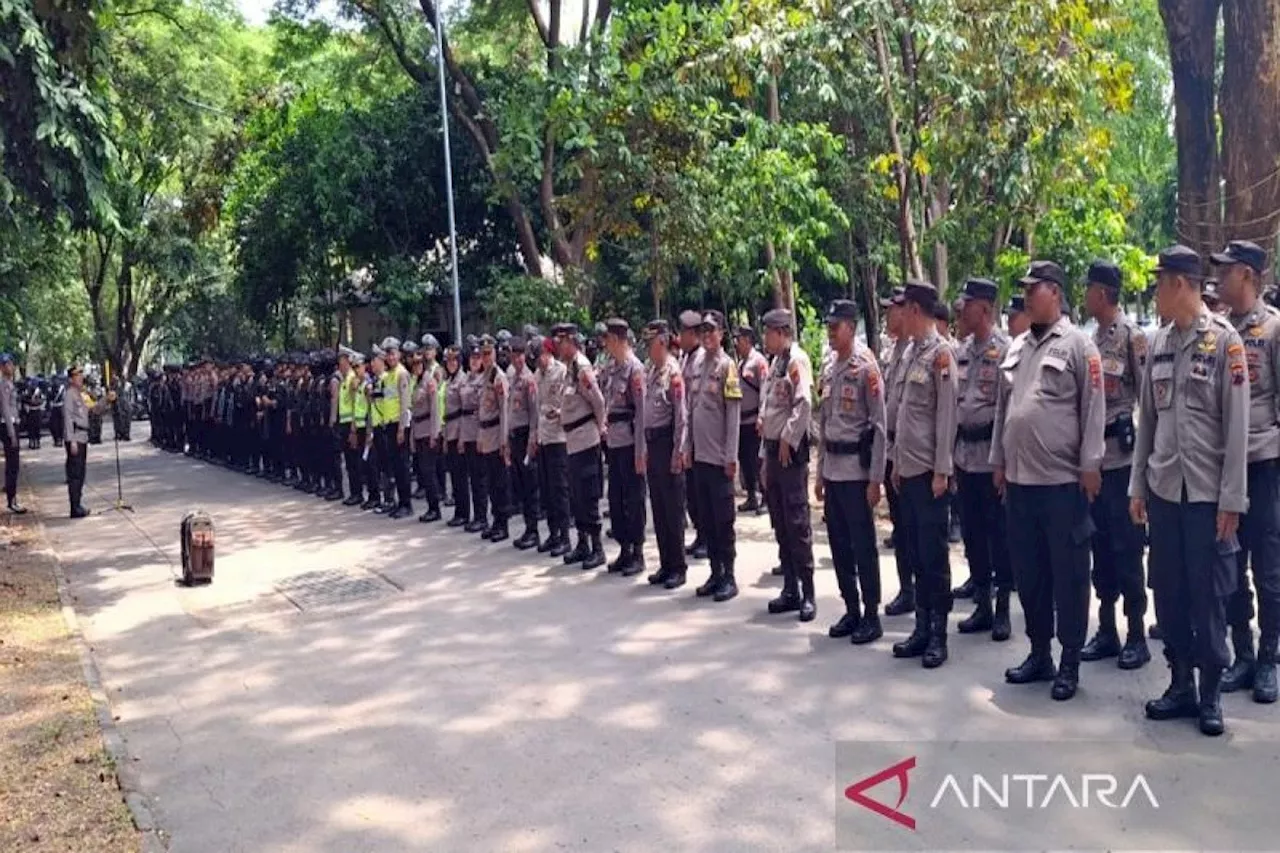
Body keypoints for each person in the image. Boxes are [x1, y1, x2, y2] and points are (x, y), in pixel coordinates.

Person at [1132, 244, 1248, 736]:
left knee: (1210, 597)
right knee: (1171, 592)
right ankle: (1180, 683)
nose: (1155, 291)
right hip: (1164, 492)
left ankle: (1210, 693)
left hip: (1205, 496)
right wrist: (1138, 487)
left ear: (1180, 284)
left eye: (1159, 282)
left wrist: (1232, 500)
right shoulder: (1157, 343)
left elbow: (1237, 430)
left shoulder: (1225, 343)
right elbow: (1148, 424)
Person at [992, 260, 1106, 701]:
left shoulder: (1080, 346)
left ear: (1054, 292)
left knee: (1070, 576)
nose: (1025, 296)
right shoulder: (1018, 346)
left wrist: (1091, 465)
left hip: (1062, 483)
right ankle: (1039, 653)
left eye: (1033, 288)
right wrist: (998, 459)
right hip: (1020, 483)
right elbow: (1007, 408)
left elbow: (1093, 410)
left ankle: (1069, 661)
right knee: (1031, 573)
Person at [1212, 239, 1280, 704]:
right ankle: (1242, 654)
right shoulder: (1214, 332)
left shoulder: (1273, 330)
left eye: (1227, 270)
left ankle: (1269, 658)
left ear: (1249, 277)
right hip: (1223, 468)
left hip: (1263, 462)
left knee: (1269, 567)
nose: (1218, 278)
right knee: (1230, 565)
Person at [1081, 260, 1151, 670]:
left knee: (1128, 551)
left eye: (1090, 288)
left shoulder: (1132, 338)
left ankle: (1137, 635)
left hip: (1124, 463)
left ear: (1103, 293)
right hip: (1097, 465)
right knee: (1101, 549)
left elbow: (1148, 402)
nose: (1086, 295)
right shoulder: (1091, 341)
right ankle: (1106, 630)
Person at [890, 281, 958, 668]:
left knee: (934, 557)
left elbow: (947, 417)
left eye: (903, 309)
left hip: (930, 474)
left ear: (915, 310)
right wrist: (898, 464)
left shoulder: (940, 354)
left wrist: (942, 470)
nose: (899, 316)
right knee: (914, 552)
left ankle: (938, 633)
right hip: (909, 470)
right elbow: (903, 414)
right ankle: (920, 627)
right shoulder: (910, 353)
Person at [817, 300, 887, 642]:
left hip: (857, 474)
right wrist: (819, 475)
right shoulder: (829, 368)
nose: (830, 331)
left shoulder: (866, 367)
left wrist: (876, 479)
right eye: (828, 325)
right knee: (839, 546)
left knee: (863, 547)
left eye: (836, 325)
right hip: (833, 469)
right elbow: (824, 421)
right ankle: (852, 608)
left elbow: (879, 425)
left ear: (851, 326)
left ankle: (872, 615)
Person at [951, 277, 1014, 643]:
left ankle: (1003, 605)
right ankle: (983, 603)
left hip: (991, 458)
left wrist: (1002, 463)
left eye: (968, 304)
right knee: (972, 534)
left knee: (998, 535)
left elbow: (1007, 411)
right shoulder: (961, 352)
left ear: (985, 309)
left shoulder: (1006, 350)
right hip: (964, 456)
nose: (962, 310)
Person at [759, 308, 817, 620]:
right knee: (780, 522)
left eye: (769, 332)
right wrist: (764, 455)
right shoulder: (774, 364)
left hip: (790, 454)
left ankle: (808, 591)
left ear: (781, 332)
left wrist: (788, 438)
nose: (765, 337)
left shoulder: (796, 360)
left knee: (797, 522)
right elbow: (768, 411)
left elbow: (804, 402)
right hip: (772, 451)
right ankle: (790, 588)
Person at [685, 311, 743, 602]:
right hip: (699, 458)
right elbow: (690, 410)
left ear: (721, 333)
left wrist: (731, 456)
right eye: (703, 331)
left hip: (719, 459)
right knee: (706, 519)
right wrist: (686, 447)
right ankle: (715, 571)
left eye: (712, 330)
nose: (707, 335)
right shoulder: (696, 364)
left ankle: (729, 576)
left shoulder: (727, 366)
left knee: (723, 521)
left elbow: (733, 416)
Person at [641, 320, 689, 589]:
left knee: (672, 509)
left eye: (650, 344)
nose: (648, 349)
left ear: (661, 342)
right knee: (658, 507)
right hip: (653, 445)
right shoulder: (651, 371)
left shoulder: (672, 371)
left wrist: (678, 452)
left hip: (668, 443)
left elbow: (681, 416)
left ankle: (678, 566)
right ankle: (665, 562)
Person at [556, 323, 607, 569]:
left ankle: (597, 547)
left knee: (587, 495)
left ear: (571, 342)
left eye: (561, 341)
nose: (558, 346)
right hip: (573, 441)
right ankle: (582, 542)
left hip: (586, 439)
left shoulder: (582, 367)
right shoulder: (570, 368)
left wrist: (599, 428)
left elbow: (598, 401)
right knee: (576, 495)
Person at [602, 318, 648, 575]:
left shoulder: (635, 369)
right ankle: (624, 548)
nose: (606, 344)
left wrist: (641, 451)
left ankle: (638, 552)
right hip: (615, 443)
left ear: (618, 340)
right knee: (616, 499)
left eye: (608, 339)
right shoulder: (612, 368)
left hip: (631, 443)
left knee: (634, 499)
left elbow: (641, 413)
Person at [880, 287, 916, 616]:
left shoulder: (922, 351)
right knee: (900, 526)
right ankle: (907, 588)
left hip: (915, 453)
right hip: (892, 449)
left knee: (917, 529)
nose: (887, 315)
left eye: (891, 309)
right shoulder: (893, 352)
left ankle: (924, 594)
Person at [533, 335, 571, 557]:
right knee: (546, 490)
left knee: (560, 490)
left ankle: (565, 537)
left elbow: (569, 400)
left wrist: (559, 412)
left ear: (548, 352)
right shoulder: (538, 375)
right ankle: (553, 532)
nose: (539, 361)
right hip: (543, 437)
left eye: (541, 356)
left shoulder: (561, 371)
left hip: (558, 437)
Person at [63, 365, 114, 518]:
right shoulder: (69, 395)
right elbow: (67, 418)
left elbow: (95, 409)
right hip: (75, 437)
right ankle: (74, 507)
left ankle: (78, 504)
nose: (80, 378)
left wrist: (107, 399)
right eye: (77, 376)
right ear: (71, 379)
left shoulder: (82, 395)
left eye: (81, 375)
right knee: (75, 474)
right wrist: (71, 440)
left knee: (81, 473)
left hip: (83, 437)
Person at [678, 310, 709, 560]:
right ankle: (701, 533)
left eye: (683, 332)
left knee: (701, 492)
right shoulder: (684, 359)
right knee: (692, 490)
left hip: (702, 435)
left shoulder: (701, 360)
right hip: (688, 434)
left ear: (692, 334)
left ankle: (708, 536)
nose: (680, 337)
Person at [476, 335, 512, 541]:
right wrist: (481, 437)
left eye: (488, 353)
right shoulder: (484, 377)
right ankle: (495, 520)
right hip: (486, 434)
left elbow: (504, 411)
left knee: (500, 483)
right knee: (490, 482)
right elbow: (482, 411)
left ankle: (503, 524)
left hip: (497, 433)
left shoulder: (499, 377)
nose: (486, 357)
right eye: (483, 354)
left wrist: (503, 441)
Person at [508, 336, 541, 548]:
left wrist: (532, 439)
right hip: (514, 437)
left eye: (520, 355)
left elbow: (534, 414)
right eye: (514, 355)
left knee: (531, 486)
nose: (518, 359)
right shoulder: (513, 379)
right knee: (520, 484)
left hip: (525, 436)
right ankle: (529, 528)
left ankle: (534, 530)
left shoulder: (529, 380)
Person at [734, 326, 768, 514]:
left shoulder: (758, 361)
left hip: (754, 419)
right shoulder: (741, 364)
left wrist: (762, 416)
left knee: (757, 460)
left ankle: (765, 497)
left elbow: (764, 389)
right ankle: (751, 496)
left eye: (739, 339)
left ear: (747, 340)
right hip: (742, 421)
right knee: (745, 460)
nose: (737, 343)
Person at [410, 346, 443, 523]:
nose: (416, 367)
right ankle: (431, 506)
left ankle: (435, 508)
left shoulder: (430, 382)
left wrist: (434, 434)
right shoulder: (416, 382)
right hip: (418, 431)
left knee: (429, 472)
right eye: (414, 364)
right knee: (423, 471)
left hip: (428, 430)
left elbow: (435, 410)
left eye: (419, 363)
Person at [443, 345, 472, 527]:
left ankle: (464, 513)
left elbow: (463, 412)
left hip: (459, 429)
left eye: (454, 360)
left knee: (461, 476)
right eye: (448, 361)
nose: (451, 363)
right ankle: (459, 511)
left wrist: (461, 436)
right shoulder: (449, 381)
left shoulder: (463, 380)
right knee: (454, 475)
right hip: (449, 430)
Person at [460, 341, 487, 532]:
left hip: (478, 431)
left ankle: (483, 517)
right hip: (466, 431)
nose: (475, 362)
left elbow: (481, 409)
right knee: (472, 478)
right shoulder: (467, 379)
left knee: (480, 479)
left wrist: (479, 435)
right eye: (472, 358)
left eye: (478, 358)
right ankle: (476, 515)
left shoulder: (484, 380)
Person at [0, 354, 25, 514]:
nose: (11, 366)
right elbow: (5, 409)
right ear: (2, 368)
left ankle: (13, 497)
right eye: (7, 364)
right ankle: (11, 500)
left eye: (11, 363)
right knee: (12, 464)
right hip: (7, 425)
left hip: (13, 424)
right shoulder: (3, 385)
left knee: (14, 465)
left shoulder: (10, 383)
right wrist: (11, 432)